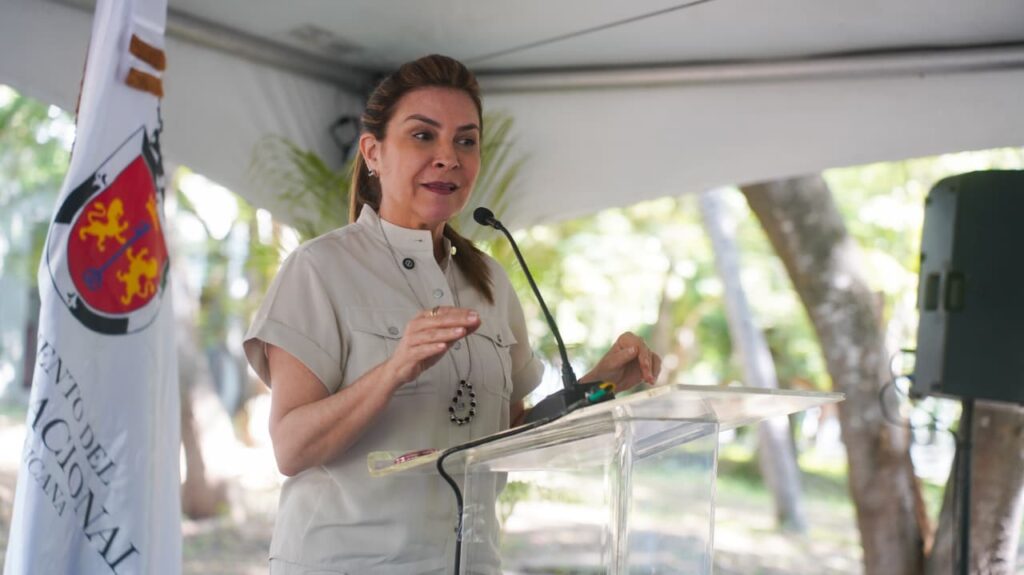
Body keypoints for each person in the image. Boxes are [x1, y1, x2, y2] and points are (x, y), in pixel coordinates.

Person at [243, 54, 662, 574]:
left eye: (466, 140)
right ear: (374, 152)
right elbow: (291, 447)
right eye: (423, 136)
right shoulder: (319, 270)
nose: (449, 157)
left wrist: (600, 385)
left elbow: (508, 432)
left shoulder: (490, 283)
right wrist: (395, 369)